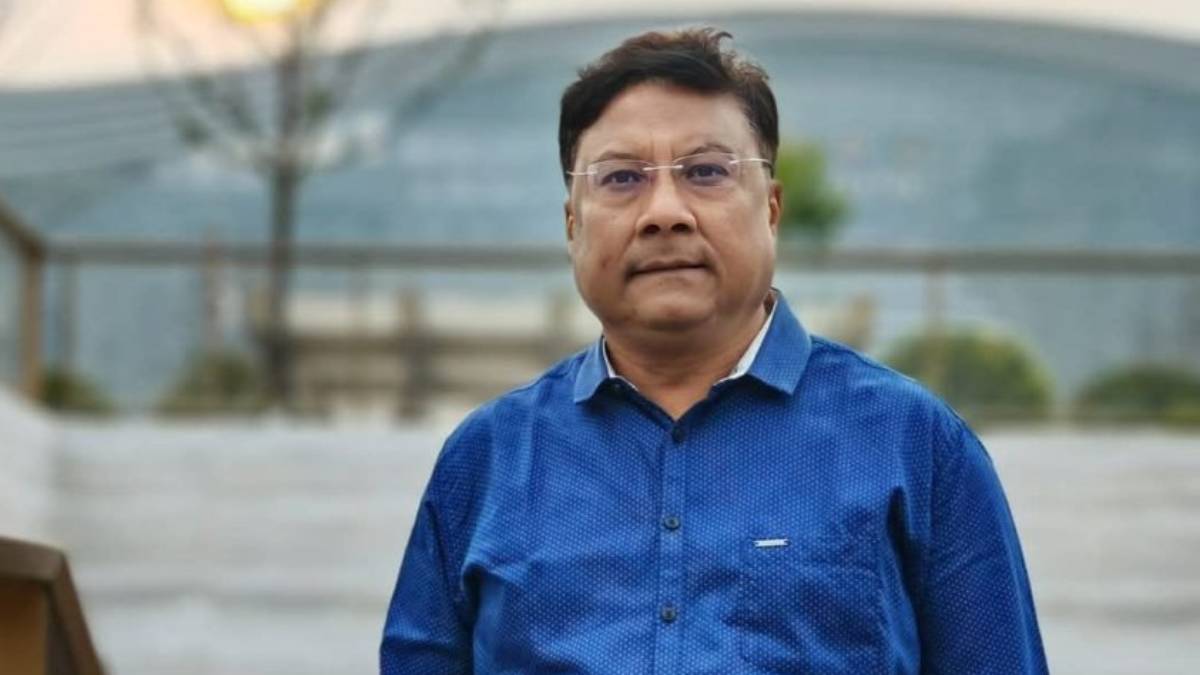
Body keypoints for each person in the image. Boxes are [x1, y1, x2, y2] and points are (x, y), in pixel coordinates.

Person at [380, 27, 1048, 674]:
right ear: (572, 224)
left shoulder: (916, 447)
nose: (664, 212)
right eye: (622, 179)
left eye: (705, 172)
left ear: (772, 210)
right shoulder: (487, 460)